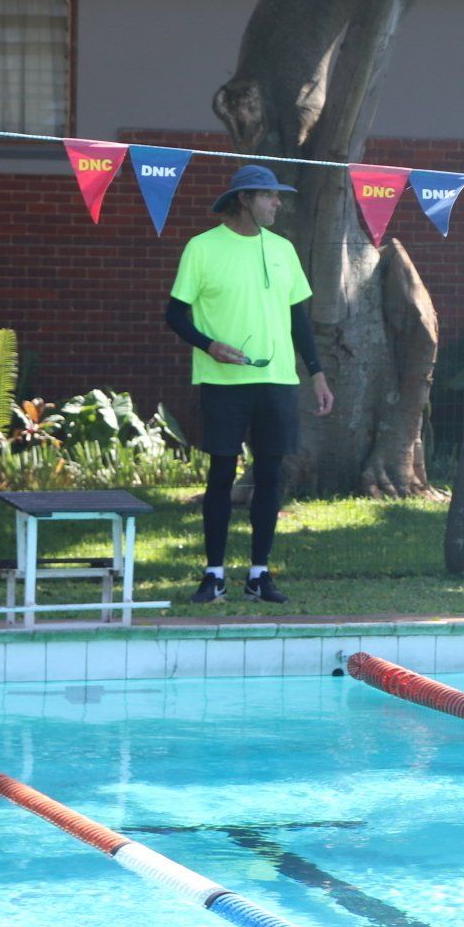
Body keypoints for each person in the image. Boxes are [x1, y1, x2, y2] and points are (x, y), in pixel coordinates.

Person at [165, 164, 333, 605]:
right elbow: (174, 315)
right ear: (244, 199)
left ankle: (259, 574)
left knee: (271, 477)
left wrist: (315, 372)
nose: (278, 203)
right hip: (223, 381)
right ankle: (213, 574)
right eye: (269, 196)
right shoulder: (202, 248)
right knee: (220, 475)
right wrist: (209, 345)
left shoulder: (284, 250)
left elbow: (299, 320)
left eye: (278, 196)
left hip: (278, 381)